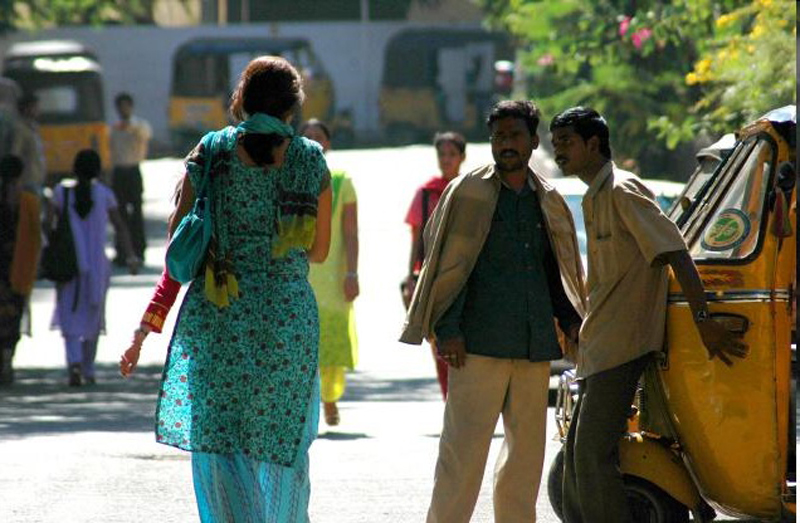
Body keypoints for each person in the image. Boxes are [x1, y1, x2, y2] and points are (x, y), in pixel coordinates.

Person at [119, 56, 332, 522]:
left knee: (221, 443)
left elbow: (181, 250)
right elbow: (318, 251)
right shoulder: (310, 158)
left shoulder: (210, 152)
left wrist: (144, 328)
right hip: (286, 324)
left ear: (240, 99)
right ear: (293, 108)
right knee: (283, 443)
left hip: (220, 318)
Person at [549, 107, 748, 523]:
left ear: (593, 144)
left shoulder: (622, 190)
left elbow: (674, 250)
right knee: (574, 455)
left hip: (623, 346)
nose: (558, 150)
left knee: (590, 453)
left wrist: (703, 320)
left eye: (566, 142)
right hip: (601, 342)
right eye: (556, 142)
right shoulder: (595, 195)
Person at [400, 100, 586, 523]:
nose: (506, 144)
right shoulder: (467, 193)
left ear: (532, 142)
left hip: (533, 347)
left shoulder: (548, 199)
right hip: (476, 347)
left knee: (524, 464)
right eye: (499, 136)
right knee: (461, 459)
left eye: (515, 135)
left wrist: (571, 322)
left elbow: (555, 271)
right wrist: (446, 328)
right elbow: (449, 266)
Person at [49, 149, 138, 386]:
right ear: (98, 170)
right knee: (93, 316)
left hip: (68, 264)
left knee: (68, 313)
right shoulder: (105, 195)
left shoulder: (60, 193)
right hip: (98, 268)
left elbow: (48, 226)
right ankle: (88, 368)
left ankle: (74, 363)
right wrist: (130, 256)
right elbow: (120, 226)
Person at [301, 118, 359, 427]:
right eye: (306, 136)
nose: (313, 141)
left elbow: (351, 233)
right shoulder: (290, 179)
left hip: (333, 275)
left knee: (331, 345)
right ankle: (306, 405)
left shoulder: (341, 181)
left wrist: (352, 273)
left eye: (318, 136)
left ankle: (330, 399)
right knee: (301, 344)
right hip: (298, 274)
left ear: (328, 143)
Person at [402, 131, 467, 400]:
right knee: (439, 344)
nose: (446, 160)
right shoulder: (427, 193)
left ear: (462, 157)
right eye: (442, 154)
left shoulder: (471, 190)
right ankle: (449, 400)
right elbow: (416, 236)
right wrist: (411, 276)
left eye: (452, 154)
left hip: (466, 275)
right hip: (433, 277)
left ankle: (463, 401)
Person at [0, 155, 41, 385]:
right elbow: (36, 237)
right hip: (19, 267)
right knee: (14, 315)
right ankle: (8, 358)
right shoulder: (29, 201)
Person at [110, 92, 152, 264]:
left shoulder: (139, 125)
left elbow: (146, 135)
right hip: (119, 172)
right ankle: (122, 252)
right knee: (119, 214)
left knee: (137, 213)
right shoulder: (113, 128)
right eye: (121, 106)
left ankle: (139, 251)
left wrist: (130, 126)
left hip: (133, 171)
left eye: (126, 106)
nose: (123, 109)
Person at [11, 94, 45, 194]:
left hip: (37, 179)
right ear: (26, 109)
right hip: (27, 180)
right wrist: (16, 180)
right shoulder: (20, 129)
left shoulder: (33, 128)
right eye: (35, 107)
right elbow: (15, 154)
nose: (38, 110)